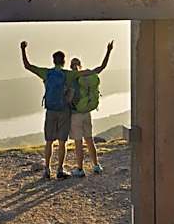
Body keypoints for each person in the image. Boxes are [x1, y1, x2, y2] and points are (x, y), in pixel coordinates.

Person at [21, 40, 113, 179]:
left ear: (54, 61)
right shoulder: (70, 75)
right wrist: (108, 51)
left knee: (49, 142)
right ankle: (60, 170)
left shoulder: (47, 73)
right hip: (67, 111)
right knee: (63, 142)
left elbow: (27, 66)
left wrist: (23, 49)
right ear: (64, 62)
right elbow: (99, 69)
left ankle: (47, 170)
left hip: (52, 111)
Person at [68, 57, 103, 176]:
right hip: (87, 112)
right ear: (80, 65)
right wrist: (108, 51)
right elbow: (101, 67)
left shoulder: (72, 78)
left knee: (78, 142)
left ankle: (80, 169)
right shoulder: (87, 76)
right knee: (89, 140)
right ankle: (96, 166)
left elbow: (69, 97)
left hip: (75, 114)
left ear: (70, 66)